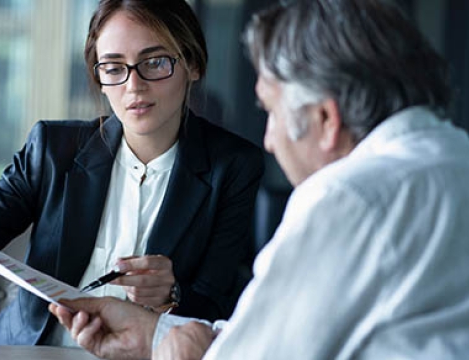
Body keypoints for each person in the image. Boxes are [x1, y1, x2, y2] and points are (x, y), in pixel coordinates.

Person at [48, 0, 469, 358]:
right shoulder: (454, 159)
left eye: (271, 111)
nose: (268, 140)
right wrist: (152, 334)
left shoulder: (348, 196)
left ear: (325, 119)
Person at [0, 0, 264, 346]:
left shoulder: (233, 166)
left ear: (192, 65)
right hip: (29, 353)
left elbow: (224, 305)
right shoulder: (52, 149)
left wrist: (172, 295)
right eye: (114, 68)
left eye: (155, 62)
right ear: (99, 77)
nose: (134, 86)